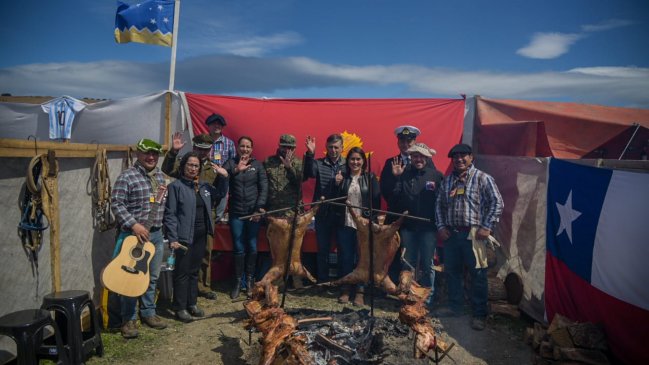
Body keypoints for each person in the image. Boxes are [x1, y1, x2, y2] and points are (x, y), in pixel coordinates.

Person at [435, 143, 504, 331]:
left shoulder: (483, 178)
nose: (459, 159)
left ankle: (479, 314)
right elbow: (439, 206)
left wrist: (486, 226)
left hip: (475, 235)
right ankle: (455, 308)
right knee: (453, 272)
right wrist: (441, 226)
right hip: (451, 234)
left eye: (463, 156)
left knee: (478, 275)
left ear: (471, 157)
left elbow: (497, 202)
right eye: (455, 157)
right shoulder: (448, 181)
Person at [111, 138, 168, 339]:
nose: (151, 157)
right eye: (147, 153)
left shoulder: (161, 177)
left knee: (151, 277)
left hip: (156, 235)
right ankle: (129, 318)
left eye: (155, 154)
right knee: (130, 279)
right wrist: (134, 225)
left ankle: (149, 313)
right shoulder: (127, 177)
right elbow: (117, 204)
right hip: (132, 236)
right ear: (138, 154)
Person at [162, 132, 229, 300]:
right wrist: (173, 152)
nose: (202, 153)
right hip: (185, 215)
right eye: (199, 149)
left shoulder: (213, 168)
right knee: (186, 254)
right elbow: (167, 169)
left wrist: (224, 177)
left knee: (205, 251)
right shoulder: (186, 164)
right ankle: (185, 291)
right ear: (194, 148)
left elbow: (219, 193)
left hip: (205, 215)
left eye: (206, 150)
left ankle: (203, 286)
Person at [389, 142, 443, 302]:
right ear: (411, 157)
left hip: (428, 229)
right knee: (408, 263)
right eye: (415, 156)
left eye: (421, 156)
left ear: (426, 157)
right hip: (409, 228)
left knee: (428, 264)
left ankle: (427, 299)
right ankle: (408, 296)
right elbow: (395, 200)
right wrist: (397, 178)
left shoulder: (437, 176)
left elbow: (442, 202)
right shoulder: (404, 174)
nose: (418, 159)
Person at [334, 147, 380, 306]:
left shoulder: (370, 177)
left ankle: (360, 291)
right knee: (346, 257)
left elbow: (376, 202)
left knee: (362, 258)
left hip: (363, 224)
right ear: (348, 161)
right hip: (345, 222)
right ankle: (346, 289)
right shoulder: (343, 178)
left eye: (358, 159)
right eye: (352, 159)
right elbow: (336, 200)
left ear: (363, 161)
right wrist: (337, 184)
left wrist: (372, 221)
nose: (355, 162)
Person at [223, 136, 268, 299]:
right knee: (238, 247)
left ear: (252, 149)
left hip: (253, 214)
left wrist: (258, 209)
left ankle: (249, 281)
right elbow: (222, 176)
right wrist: (236, 170)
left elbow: (264, 188)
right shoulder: (231, 162)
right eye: (242, 146)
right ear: (237, 147)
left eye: (248, 146)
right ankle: (237, 282)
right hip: (236, 213)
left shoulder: (257, 165)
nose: (245, 149)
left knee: (252, 245)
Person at [303, 134, 347, 284]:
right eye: (330, 147)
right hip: (323, 213)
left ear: (342, 148)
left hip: (342, 214)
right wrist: (310, 154)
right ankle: (323, 281)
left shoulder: (348, 164)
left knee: (343, 250)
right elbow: (309, 172)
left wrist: (339, 184)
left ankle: (342, 282)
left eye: (336, 147)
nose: (333, 150)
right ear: (326, 148)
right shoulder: (319, 163)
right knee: (323, 250)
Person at [380, 125, 421, 285]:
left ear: (414, 141)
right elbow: (385, 190)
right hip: (395, 216)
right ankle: (389, 287)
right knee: (391, 253)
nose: (405, 144)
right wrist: (397, 177)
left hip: (413, 218)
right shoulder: (390, 162)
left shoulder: (423, 161)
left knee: (409, 255)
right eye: (402, 140)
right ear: (398, 142)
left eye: (409, 141)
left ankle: (407, 288)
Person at [263, 134, 304, 289]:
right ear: (279, 145)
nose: (287, 149)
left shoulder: (299, 162)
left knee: (294, 247)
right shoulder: (268, 162)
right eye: (284, 146)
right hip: (274, 211)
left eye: (290, 147)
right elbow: (264, 185)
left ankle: (296, 277)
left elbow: (301, 180)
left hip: (293, 212)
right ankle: (278, 278)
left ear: (294, 148)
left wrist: (289, 167)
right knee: (277, 247)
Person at [205, 113, 236, 222]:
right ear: (208, 126)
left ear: (222, 127)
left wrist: (225, 172)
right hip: (205, 179)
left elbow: (233, 161)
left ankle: (215, 226)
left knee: (220, 209)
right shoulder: (202, 140)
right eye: (214, 124)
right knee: (204, 205)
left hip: (222, 180)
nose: (217, 126)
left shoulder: (229, 143)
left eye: (219, 124)